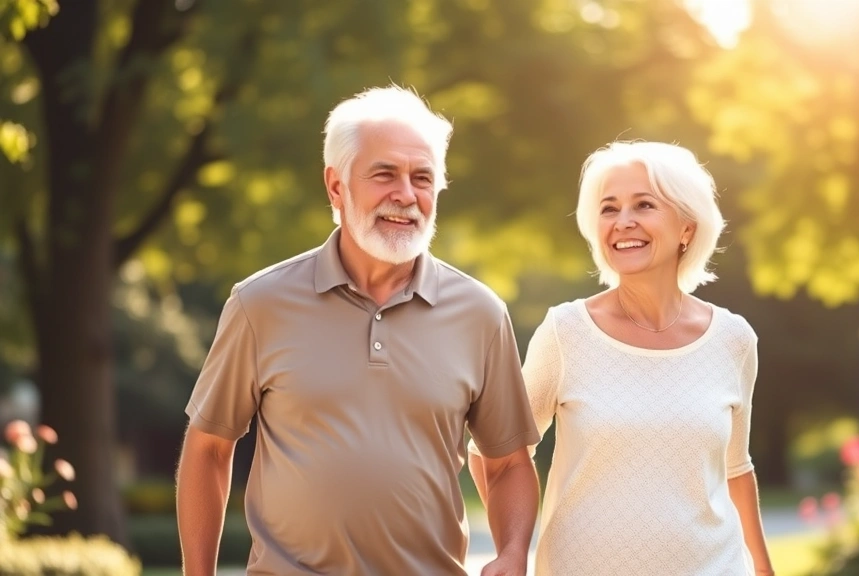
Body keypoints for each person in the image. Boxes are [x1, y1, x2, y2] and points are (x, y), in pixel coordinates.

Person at [176, 85, 540, 576]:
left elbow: (509, 465)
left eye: (423, 178)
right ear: (336, 186)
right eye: (384, 174)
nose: (406, 195)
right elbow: (208, 448)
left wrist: (514, 553)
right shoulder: (259, 304)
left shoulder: (481, 314)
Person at [470, 141, 775, 575]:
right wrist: (513, 549)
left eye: (644, 205)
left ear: (687, 227)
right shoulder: (566, 332)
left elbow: (734, 468)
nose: (623, 222)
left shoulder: (733, 339)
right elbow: (494, 454)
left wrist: (763, 570)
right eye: (609, 209)